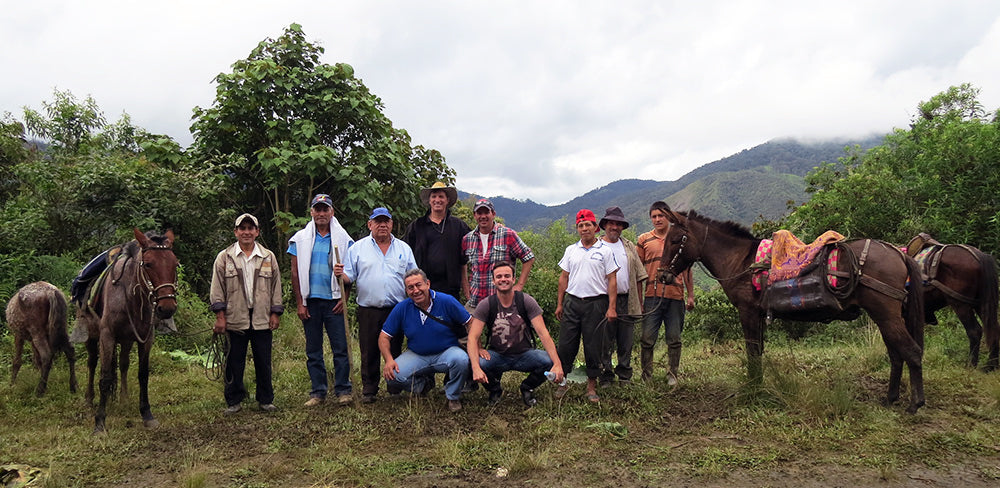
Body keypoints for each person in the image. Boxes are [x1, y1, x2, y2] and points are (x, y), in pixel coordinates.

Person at [335, 206, 417, 404]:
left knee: (395, 347)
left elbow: (413, 276)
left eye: (386, 221)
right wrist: (339, 273)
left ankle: (395, 386)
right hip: (369, 309)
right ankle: (369, 389)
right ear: (369, 224)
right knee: (369, 349)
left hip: (397, 309)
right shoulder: (357, 248)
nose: (382, 225)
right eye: (378, 221)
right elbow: (349, 277)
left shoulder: (403, 249)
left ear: (391, 224)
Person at [210, 213, 284, 414]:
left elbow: (276, 287)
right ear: (236, 232)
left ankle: (265, 399)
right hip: (235, 318)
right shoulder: (225, 257)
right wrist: (220, 316)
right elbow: (217, 289)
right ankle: (234, 400)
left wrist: (275, 313)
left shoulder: (268, 257)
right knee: (234, 361)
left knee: (263, 361)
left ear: (257, 232)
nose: (246, 232)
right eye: (242, 228)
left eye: (251, 228)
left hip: (262, 318)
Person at [288, 194, 355, 406]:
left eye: (325, 209)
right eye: (317, 209)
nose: (321, 213)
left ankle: (343, 390)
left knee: (340, 348)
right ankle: (318, 391)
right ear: (311, 212)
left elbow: (351, 272)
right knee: (313, 349)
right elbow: (295, 273)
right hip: (311, 301)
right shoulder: (300, 239)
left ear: (332, 212)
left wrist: (345, 297)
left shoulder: (344, 240)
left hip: (334, 301)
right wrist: (300, 302)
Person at [468, 261, 564, 407]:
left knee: (548, 360)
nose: (503, 279)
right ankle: (494, 390)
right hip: (497, 355)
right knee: (477, 362)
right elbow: (473, 337)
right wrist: (476, 367)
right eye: (499, 276)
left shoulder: (526, 301)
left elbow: (543, 333)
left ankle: (527, 387)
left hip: (524, 354)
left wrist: (557, 364)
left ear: (513, 279)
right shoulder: (487, 304)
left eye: (507, 276)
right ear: (493, 281)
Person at [379, 269, 472, 412]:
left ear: (427, 284)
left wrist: (475, 345)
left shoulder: (446, 301)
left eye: (418, 285)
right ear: (406, 290)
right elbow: (384, 337)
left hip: (446, 352)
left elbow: (470, 322)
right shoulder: (402, 308)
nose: (415, 290)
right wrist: (389, 360)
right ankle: (423, 385)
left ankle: (453, 396)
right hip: (417, 354)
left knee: (461, 360)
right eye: (410, 288)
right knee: (392, 376)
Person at [554, 209, 620, 403]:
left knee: (593, 346)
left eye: (588, 225)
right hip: (572, 302)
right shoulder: (570, 250)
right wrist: (560, 303)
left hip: (596, 304)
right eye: (581, 226)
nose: (584, 229)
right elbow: (563, 277)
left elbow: (612, 280)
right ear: (577, 228)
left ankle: (591, 387)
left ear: (595, 227)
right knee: (566, 344)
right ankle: (562, 383)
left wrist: (612, 307)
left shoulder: (605, 251)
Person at [636, 201, 695, 386]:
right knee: (647, 338)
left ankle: (672, 374)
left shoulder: (678, 238)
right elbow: (638, 273)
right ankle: (646, 376)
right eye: (654, 216)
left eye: (661, 216)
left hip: (676, 296)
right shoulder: (644, 239)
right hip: (652, 296)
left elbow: (687, 270)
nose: (657, 219)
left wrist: (691, 295)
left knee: (674, 338)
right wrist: (639, 300)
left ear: (668, 217)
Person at [597, 207, 648, 386]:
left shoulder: (628, 246)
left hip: (627, 299)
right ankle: (606, 375)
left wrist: (639, 303)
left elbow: (639, 276)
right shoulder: (597, 246)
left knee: (626, 340)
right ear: (604, 225)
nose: (615, 227)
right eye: (611, 223)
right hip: (603, 300)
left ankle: (624, 375)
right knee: (605, 339)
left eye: (618, 224)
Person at [462, 198, 535, 309]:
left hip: (502, 303)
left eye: (486, 212)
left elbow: (529, 257)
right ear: (474, 215)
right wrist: (466, 290)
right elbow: (462, 263)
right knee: (468, 325)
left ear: (493, 214)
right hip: (475, 302)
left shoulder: (507, 234)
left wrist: (519, 285)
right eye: (479, 213)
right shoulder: (468, 239)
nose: (483, 216)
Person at [404, 181, 471, 300]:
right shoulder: (416, 226)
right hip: (422, 289)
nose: (437, 200)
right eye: (434, 197)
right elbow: (404, 254)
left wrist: (495, 227)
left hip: (451, 290)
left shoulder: (458, 226)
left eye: (441, 196)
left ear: (447, 200)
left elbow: (473, 247)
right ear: (429, 201)